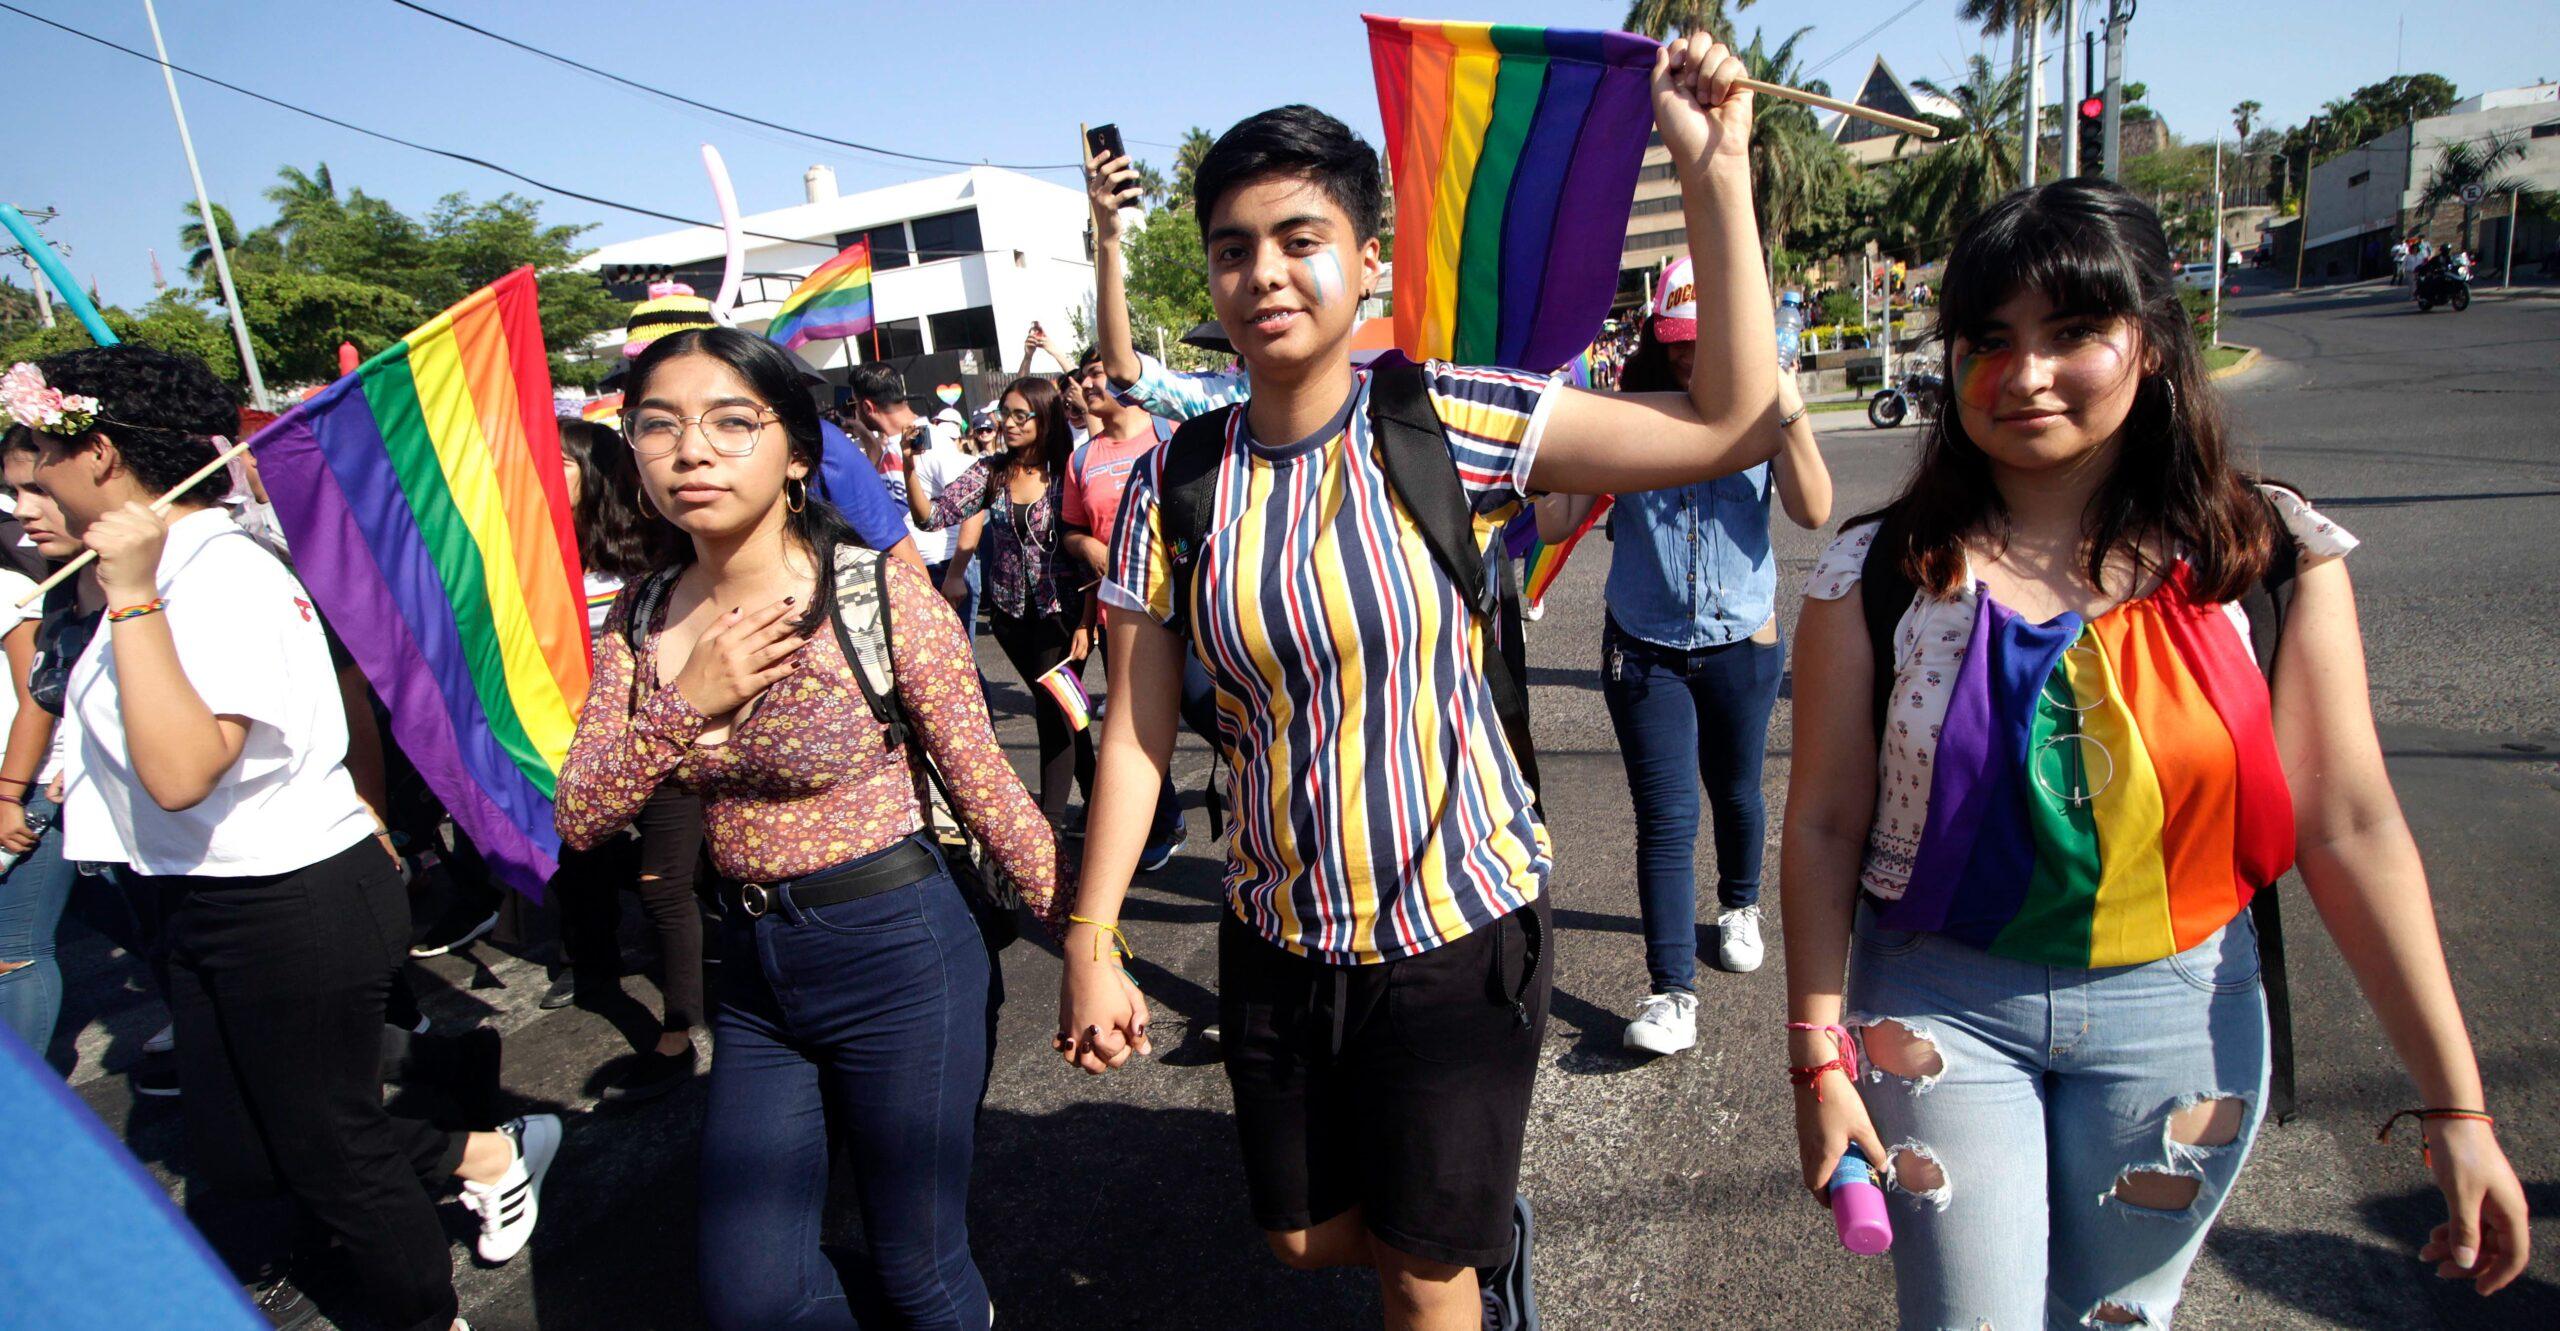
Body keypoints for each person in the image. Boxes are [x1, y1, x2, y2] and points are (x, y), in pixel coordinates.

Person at [1062, 38, 1787, 1330]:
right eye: (1235, 248)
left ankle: (1453, 1235)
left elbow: (1734, 420)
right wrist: (1091, 933)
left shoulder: (1452, 418)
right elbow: (1133, 733)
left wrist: (1714, 170)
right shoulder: (1177, 483)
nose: (1265, 272)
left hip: (1458, 924)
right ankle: (1471, 1218)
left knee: (1417, 1268)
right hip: (1279, 930)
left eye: (1301, 236)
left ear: (1367, 261)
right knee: (1296, 1238)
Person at [1779, 178, 2531, 1328]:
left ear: (2154, 346)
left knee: (2114, 1317)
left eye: (2073, 332)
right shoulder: (1879, 571)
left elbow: (2349, 824)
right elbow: (1826, 823)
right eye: (1990, 340)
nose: (2024, 374)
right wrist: (1816, 1054)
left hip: (2181, 1012)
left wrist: (2457, 1108)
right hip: (1935, 1008)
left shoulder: (2264, 554)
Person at [18, 345, 556, 1331]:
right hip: (202, 893)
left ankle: (431, 1300)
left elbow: (183, 770)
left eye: (36, 448)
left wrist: (133, 594)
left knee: (331, 1148)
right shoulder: (137, 571)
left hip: (288, 894)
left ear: (99, 452)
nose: (21, 481)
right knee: (236, 1148)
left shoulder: (215, 573)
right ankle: (472, 1146)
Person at [554, 326, 1078, 1331]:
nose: (690, 451)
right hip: (750, 970)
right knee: (753, 1293)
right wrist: (684, 704)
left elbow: (989, 790)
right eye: (656, 426)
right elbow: (582, 813)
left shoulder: (875, 591)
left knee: (919, 1268)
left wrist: (1093, 945)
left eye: (727, 422)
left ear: (795, 450)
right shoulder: (647, 612)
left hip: (898, 949)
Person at [1531, 257, 1833, 1057]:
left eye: (1708, 341)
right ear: (1658, 340)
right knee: (1666, 818)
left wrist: (1789, 405)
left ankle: (1739, 903)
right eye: (1679, 343)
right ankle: (1672, 993)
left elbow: (1813, 507)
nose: (1694, 358)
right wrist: (1535, 439)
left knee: (1736, 791)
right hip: (1644, 646)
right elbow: (1559, 519)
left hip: (1743, 638)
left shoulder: (1766, 407)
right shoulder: (1625, 410)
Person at [536, 419, 708, 1101]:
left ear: (593, 469)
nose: (544, 475)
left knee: (664, 884)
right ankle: (591, 967)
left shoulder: (650, 557)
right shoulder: (536, 560)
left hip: (657, 741)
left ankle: (679, 1032)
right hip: (571, 746)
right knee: (580, 864)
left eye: (559, 462)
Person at [921, 376, 1095, 829]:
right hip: (1010, 616)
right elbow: (933, 516)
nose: (1010, 423)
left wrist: (1088, 620)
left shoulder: (1069, 469)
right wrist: (906, 461)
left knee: (1053, 708)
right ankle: (1099, 800)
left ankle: (1051, 821)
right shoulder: (991, 471)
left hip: (1063, 614)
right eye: (1006, 413)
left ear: (1045, 417)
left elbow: (1086, 542)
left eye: (1022, 415)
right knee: (1064, 708)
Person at [1059, 350, 1198, 870]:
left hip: (1194, 608)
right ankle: (1164, 824)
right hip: (1122, 619)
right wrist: (1085, 548)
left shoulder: (1172, 430)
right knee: (1137, 728)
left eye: (1098, 372)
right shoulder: (1081, 459)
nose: (1089, 383)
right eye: (1084, 376)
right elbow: (1071, 529)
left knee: (1218, 716)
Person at [0, 429, 71, 1067]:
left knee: (15, 949)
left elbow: (37, 696)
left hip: (30, 790)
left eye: (34, 489)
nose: (22, 506)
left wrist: (7, 795)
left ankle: (23, 1110)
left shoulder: (8, 585)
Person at [862, 366, 986, 631]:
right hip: (914, 570)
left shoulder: (931, 440)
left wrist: (955, 574)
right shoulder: (894, 444)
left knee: (956, 667)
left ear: (867, 406)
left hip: (942, 567)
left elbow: (976, 504)